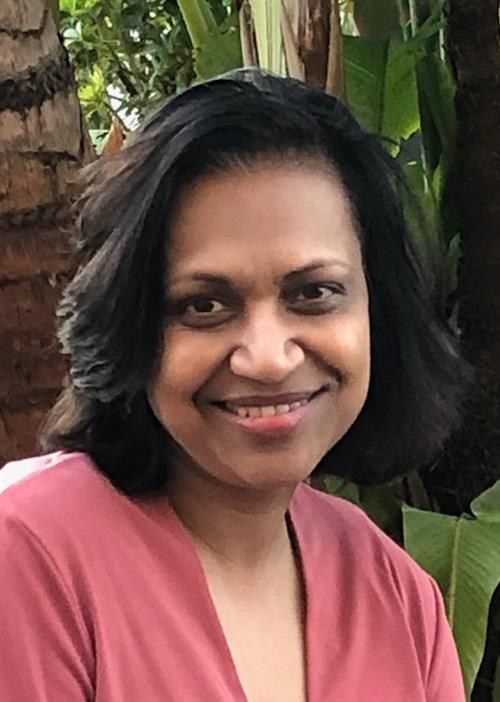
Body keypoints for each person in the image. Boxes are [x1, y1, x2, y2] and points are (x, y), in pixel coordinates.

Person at [1, 68, 470, 702]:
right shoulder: (28, 556)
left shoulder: (400, 599)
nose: (268, 359)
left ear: (377, 312)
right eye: (205, 306)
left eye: (313, 293)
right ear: (133, 328)